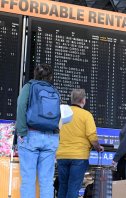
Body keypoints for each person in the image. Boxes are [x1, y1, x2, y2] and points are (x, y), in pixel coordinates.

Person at [16, 63, 60, 198]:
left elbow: (21, 106)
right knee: (46, 182)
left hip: (31, 135)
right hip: (51, 138)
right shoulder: (54, 90)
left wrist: (22, 131)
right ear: (50, 77)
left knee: (28, 180)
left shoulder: (29, 87)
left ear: (35, 74)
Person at [56, 89, 104, 198]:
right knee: (73, 187)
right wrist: (98, 147)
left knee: (63, 186)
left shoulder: (63, 115)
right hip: (79, 157)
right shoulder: (86, 115)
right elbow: (92, 136)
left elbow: (57, 131)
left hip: (62, 156)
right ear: (83, 100)